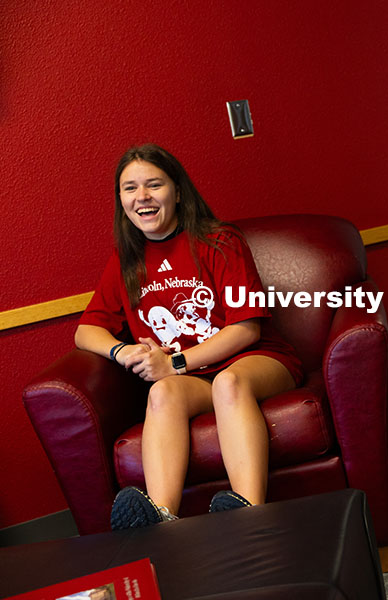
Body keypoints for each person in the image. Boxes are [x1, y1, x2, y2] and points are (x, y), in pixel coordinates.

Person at [75, 144, 303, 529]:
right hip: (192, 379)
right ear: (121, 200)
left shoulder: (219, 240)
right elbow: (86, 330)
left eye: (153, 185)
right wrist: (124, 350)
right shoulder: (126, 260)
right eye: (129, 188)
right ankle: (162, 522)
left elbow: (246, 329)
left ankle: (250, 513)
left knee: (227, 384)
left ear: (177, 191)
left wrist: (173, 362)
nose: (141, 197)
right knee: (161, 392)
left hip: (256, 361)